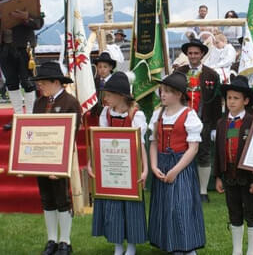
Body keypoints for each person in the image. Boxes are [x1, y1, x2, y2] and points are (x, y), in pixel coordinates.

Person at [89, 71, 148, 255]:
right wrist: (92, 163)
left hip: (131, 168)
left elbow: (142, 144)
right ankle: (117, 245)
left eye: (108, 95)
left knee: (131, 207)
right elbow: (98, 141)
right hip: (110, 168)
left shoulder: (136, 115)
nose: (105, 98)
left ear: (121, 96)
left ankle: (131, 245)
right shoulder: (106, 114)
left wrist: (145, 170)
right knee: (112, 205)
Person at [148, 72, 206, 254]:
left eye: (167, 91)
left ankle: (188, 247)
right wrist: (153, 166)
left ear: (179, 94)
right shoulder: (158, 114)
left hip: (181, 165)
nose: (162, 94)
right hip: (162, 164)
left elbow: (193, 148)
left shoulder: (189, 115)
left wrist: (176, 170)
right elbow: (154, 142)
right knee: (165, 207)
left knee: (181, 206)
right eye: (161, 90)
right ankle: (171, 245)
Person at [30, 61, 82, 255]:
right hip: (40, 160)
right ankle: (51, 239)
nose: (39, 86)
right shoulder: (39, 102)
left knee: (62, 199)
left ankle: (65, 242)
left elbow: (72, 134)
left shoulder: (70, 102)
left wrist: (60, 165)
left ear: (55, 82)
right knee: (46, 199)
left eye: (42, 82)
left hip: (60, 161)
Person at [214, 75, 253, 255]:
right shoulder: (221, 123)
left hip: (248, 178)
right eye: (229, 98)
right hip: (229, 177)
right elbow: (218, 152)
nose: (231, 102)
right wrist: (218, 176)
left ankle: (251, 251)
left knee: (251, 213)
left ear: (246, 100)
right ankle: (237, 250)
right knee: (234, 212)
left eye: (236, 98)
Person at [176, 39, 222, 202]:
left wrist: (216, 126)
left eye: (196, 53)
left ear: (202, 54)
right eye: (190, 53)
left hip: (205, 121)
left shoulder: (212, 74)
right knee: (182, 154)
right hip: (182, 121)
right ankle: (184, 189)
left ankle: (203, 191)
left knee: (203, 154)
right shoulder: (179, 73)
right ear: (186, 54)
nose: (193, 56)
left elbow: (217, 102)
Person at [0, 0, 44, 130]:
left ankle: (31, 116)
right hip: (5, 47)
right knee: (11, 82)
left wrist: (26, 18)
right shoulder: (0, 0)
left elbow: (38, 23)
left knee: (28, 81)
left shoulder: (29, 0)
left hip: (24, 47)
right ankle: (18, 115)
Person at [90, 51, 116, 117]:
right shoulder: (94, 82)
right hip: (96, 115)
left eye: (105, 67)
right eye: (100, 67)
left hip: (111, 114)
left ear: (111, 67)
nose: (102, 69)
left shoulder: (115, 81)